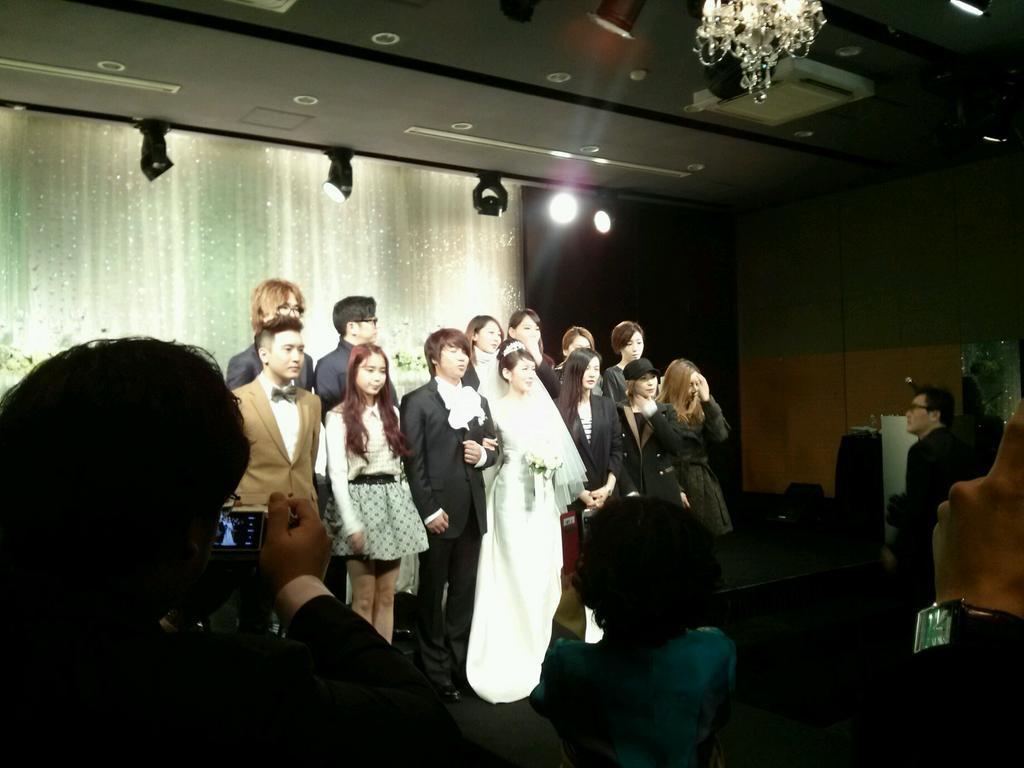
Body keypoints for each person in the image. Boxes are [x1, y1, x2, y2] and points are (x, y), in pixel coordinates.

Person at [0, 338, 460, 763]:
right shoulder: (242, 686)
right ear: (192, 536)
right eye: (222, 502)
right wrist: (302, 588)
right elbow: (422, 725)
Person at [531, 496, 735, 768]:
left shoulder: (568, 665)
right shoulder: (717, 652)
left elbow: (543, 698)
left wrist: (571, 600)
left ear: (593, 579)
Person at [466, 338, 587, 704]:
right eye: (524, 369)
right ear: (506, 373)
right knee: (514, 566)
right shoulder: (493, 408)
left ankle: (539, 639)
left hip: (542, 497)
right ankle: (513, 638)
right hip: (509, 496)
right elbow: (493, 455)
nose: (531, 375)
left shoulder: (543, 407)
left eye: (533, 369)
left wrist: (550, 463)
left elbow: (559, 451)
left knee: (542, 569)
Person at [401, 329, 497, 703]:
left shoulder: (477, 399)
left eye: (463, 352)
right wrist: (428, 510)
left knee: (463, 593)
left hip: (472, 509)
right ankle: (434, 669)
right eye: (452, 351)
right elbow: (414, 462)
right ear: (434, 358)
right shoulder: (417, 401)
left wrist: (484, 456)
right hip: (439, 512)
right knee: (431, 593)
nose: (461, 358)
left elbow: (493, 448)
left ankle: (460, 666)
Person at [324, 344, 429, 643]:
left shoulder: (391, 412)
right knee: (364, 596)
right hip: (358, 500)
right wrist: (351, 523)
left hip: (392, 501)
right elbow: (337, 475)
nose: (377, 377)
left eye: (382, 371)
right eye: (369, 370)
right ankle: (362, 660)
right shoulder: (338, 416)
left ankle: (385, 659)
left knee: (386, 595)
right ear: (354, 372)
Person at [232, 315, 321, 633]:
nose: (297, 357)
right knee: (254, 613)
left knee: (302, 611)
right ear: (264, 354)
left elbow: (308, 460)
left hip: (302, 517)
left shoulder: (312, 402)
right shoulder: (238, 400)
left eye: (301, 349)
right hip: (255, 518)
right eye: (288, 349)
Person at [885, 386, 978, 610]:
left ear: (935, 414)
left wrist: (895, 549)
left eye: (915, 408)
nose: (908, 413)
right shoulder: (965, 449)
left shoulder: (921, 451)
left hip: (926, 552)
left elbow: (917, 510)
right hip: (958, 548)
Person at [557, 348, 621, 559]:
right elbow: (557, 458)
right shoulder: (558, 408)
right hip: (573, 498)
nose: (593, 374)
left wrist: (609, 488)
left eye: (596, 369)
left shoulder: (607, 405)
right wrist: (581, 493)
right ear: (575, 371)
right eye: (587, 369)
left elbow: (616, 448)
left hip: (606, 493)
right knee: (578, 558)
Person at [659, 358, 733, 536]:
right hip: (672, 478)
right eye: (690, 384)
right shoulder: (661, 410)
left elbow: (720, 435)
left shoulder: (702, 406)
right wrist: (675, 489)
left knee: (702, 537)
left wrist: (707, 401)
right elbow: (658, 455)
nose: (694, 389)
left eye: (697, 384)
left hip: (700, 481)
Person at [617, 358, 688, 507]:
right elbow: (615, 454)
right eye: (643, 378)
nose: (651, 383)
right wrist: (628, 488)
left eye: (653, 377)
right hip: (633, 488)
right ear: (631, 383)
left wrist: (653, 414)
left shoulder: (666, 410)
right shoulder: (618, 412)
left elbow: (676, 447)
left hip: (663, 489)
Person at [225, 277, 315, 390]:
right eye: (284, 307)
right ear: (263, 314)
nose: (293, 315)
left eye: (296, 309)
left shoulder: (306, 361)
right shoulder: (244, 363)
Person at [314, 295, 396, 414]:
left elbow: (391, 403)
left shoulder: (376, 358)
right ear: (352, 327)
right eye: (372, 321)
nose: (376, 326)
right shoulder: (329, 365)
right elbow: (329, 413)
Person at [507, 308, 561, 399]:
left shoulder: (546, 362)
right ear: (512, 332)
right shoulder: (504, 357)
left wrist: (537, 356)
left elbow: (557, 392)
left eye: (537, 329)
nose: (534, 334)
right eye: (527, 328)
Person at [461, 314, 504, 401]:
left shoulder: (503, 362)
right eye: (491, 333)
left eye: (499, 334)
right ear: (474, 335)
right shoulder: (462, 363)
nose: (496, 339)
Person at [601, 320, 645, 405]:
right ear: (619, 346)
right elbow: (611, 406)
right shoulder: (612, 374)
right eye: (629, 344)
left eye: (639, 343)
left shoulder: (647, 372)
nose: (635, 349)